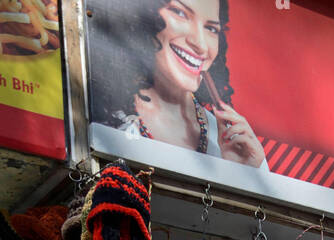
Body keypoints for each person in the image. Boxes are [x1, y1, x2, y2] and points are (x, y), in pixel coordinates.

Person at [89, 0, 267, 168]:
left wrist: (241, 175)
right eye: (180, 13)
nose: (201, 45)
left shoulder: (236, 143)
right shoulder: (99, 111)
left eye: (211, 28)